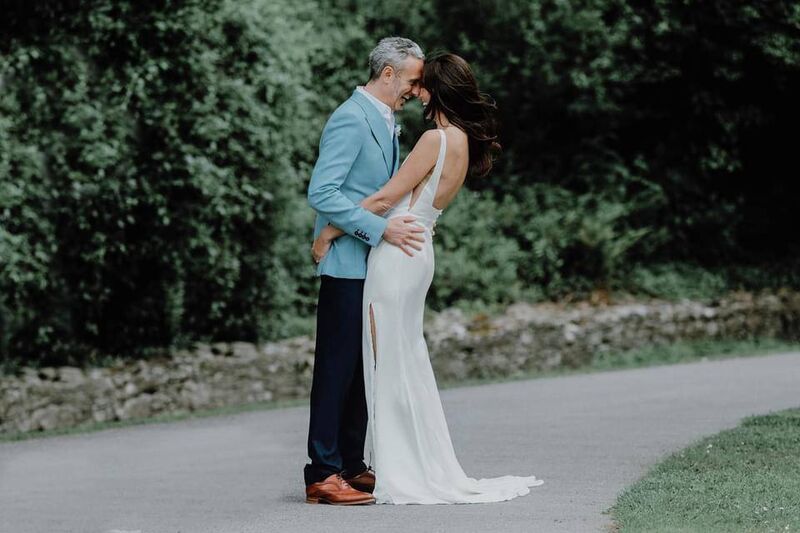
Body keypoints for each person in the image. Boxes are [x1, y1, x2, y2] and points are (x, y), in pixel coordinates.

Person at [312, 52, 545, 504]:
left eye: (422, 85)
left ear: (436, 90)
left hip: (398, 255)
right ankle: (380, 461)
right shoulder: (461, 141)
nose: (416, 92)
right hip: (420, 252)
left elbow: (383, 199)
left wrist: (330, 231)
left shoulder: (434, 141)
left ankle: (387, 463)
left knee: (386, 361)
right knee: (402, 357)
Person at [304, 36, 427, 505]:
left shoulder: (386, 119)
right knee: (336, 368)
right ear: (389, 73)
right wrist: (379, 230)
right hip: (346, 266)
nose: (416, 91)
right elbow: (323, 191)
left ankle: (352, 464)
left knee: (362, 367)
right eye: (413, 82)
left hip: (370, 265)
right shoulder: (350, 118)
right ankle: (322, 471)